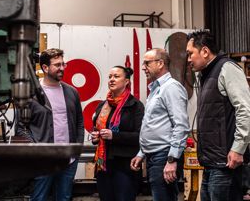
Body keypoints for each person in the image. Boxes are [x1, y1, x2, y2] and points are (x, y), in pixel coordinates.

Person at [186, 30, 250, 201]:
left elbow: (245, 110)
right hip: (211, 164)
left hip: (225, 165)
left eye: (190, 53)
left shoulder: (227, 68)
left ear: (205, 51)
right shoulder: (206, 75)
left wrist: (238, 148)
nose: (188, 59)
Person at [16, 48, 84, 201]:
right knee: (39, 198)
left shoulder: (72, 92)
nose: (62, 68)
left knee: (64, 198)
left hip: (69, 160)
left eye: (63, 64)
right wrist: (36, 150)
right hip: (43, 161)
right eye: (57, 65)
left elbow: (79, 121)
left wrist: (77, 148)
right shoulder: (31, 94)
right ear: (45, 68)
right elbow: (21, 127)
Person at [130, 48, 190, 201]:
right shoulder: (157, 89)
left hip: (164, 157)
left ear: (160, 63)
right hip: (154, 156)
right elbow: (154, 125)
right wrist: (141, 153)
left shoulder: (171, 88)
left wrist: (172, 160)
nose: (143, 67)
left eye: (147, 63)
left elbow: (181, 126)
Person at [91, 65, 144, 201]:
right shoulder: (102, 105)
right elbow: (96, 130)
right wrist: (96, 137)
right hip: (104, 166)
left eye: (116, 76)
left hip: (125, 166)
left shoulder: (135, 106)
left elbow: (140, 136)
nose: (112, 80)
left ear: (126, 81)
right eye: (110, 77)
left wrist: (114, 136)